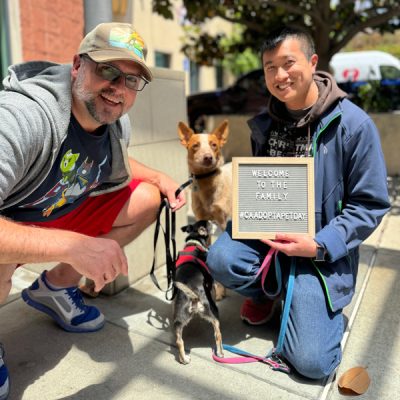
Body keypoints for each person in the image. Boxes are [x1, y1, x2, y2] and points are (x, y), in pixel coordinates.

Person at [0, 22, 186, 398]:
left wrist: (159, 177)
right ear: (76, 66)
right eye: (108, 70)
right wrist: (72, 246)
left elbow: (107, 162)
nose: (118, 88)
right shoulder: (23, 117)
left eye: (132, 80)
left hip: (53, 211)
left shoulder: (115, 126)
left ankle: (55, 288)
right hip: (12, 224)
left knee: (147, 198)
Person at [207, 27, 391, 379]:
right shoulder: (265, 123)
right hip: (269, 239)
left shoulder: (353, 125)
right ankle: (268, 294)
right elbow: (262, 187)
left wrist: (319, 244)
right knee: (221, 257)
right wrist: (243, 223)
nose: (279, 75)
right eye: (269, 67)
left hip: (318, 252)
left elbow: (370, 204)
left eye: (288, 63)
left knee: (311, 363)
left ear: (312, 62)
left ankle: (309, 306)